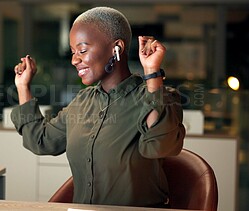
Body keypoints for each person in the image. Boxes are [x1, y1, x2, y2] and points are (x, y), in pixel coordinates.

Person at [11, 6, 185, 208]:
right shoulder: (83, 102)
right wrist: (23, 86)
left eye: (83, 50)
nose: (75, 60)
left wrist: (152, 72)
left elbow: (159, 145)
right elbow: (41, 141)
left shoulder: (158, 98)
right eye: (73, 52)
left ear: (116, 47)